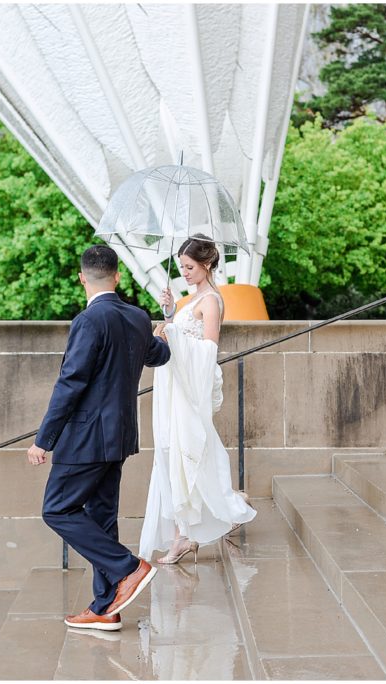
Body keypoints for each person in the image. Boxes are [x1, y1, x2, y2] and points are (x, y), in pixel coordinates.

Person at [27, 244, 171, 632]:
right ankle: (106, 606)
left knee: (56, 509)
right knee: (102, 517)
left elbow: (71, 384)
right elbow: (160, 355)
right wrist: (163, 324)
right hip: (121, 436)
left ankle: (130, 568)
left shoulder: (89, 321)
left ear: (81, 278)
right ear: (117, 276)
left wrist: (44, 440)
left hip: (87, 439)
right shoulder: (137, 317)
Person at [138, 234, 257, 565]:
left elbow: (208, 350)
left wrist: (172, 333)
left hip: (188, 391)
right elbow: (179, 336)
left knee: (184, 453)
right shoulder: (192, 300)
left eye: (189, 267)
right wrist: (169, 313)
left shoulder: (211, 302)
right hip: (173, 388)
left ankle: (192, 531)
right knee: (168, 453)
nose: (184, 272)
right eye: (181, 267)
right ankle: (202, 520)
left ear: (206, 265)